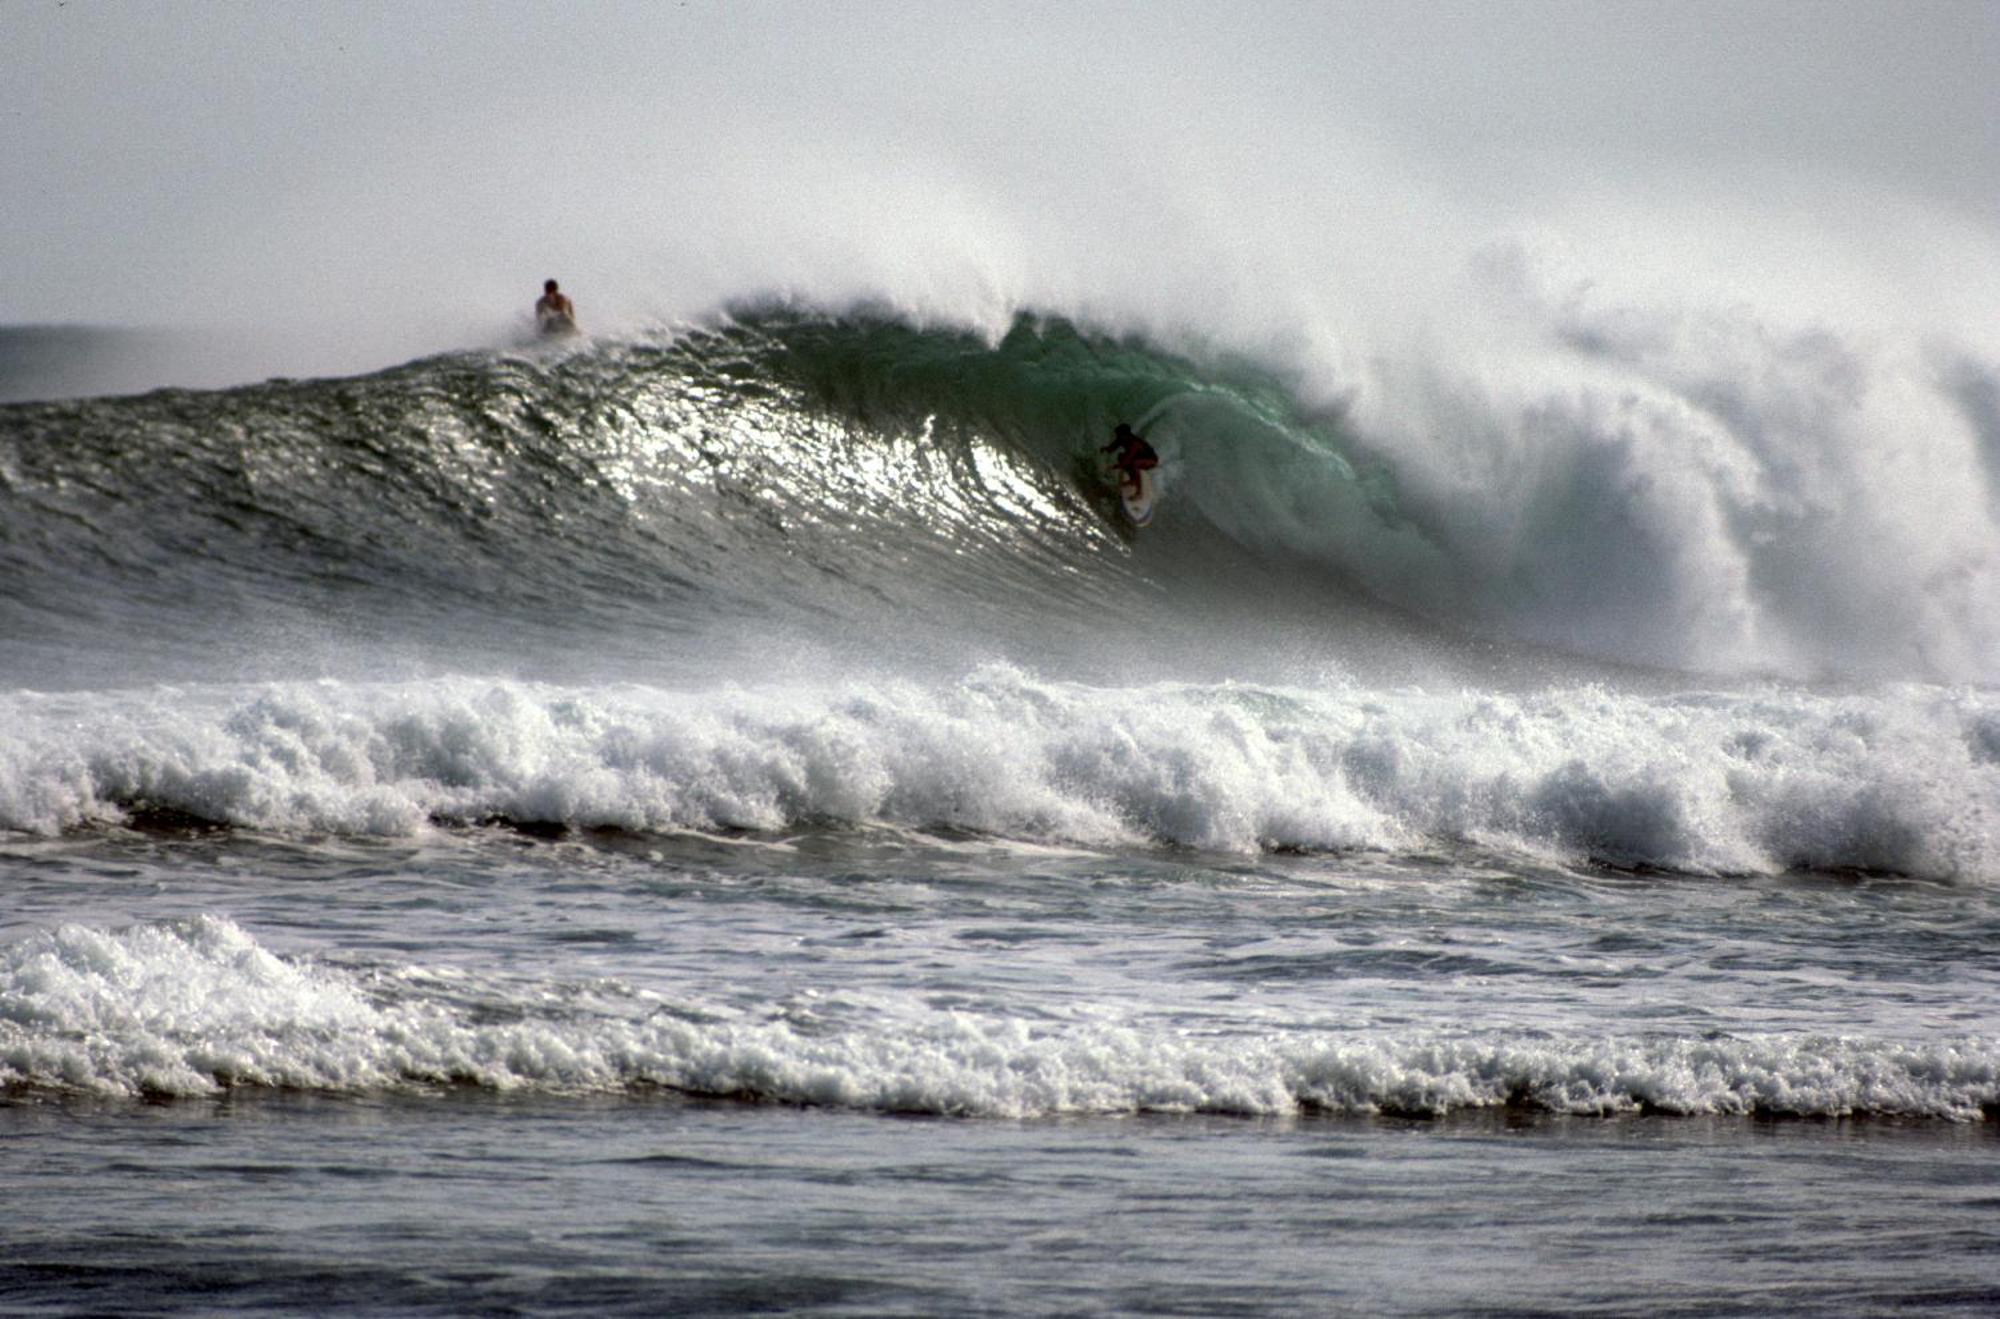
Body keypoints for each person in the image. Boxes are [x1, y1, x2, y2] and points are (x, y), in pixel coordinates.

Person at [1101, 422, 1158, 495]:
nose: (1117, 436)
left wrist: (1115, 466)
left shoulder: (1135, 443)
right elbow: (1111, 449)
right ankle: (1133, 479)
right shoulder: (1120, 439)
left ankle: (1139, 492)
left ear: (1126, 435)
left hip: (1151, 460)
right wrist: (1105, 449)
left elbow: (1128, 459)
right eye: (1117, 435)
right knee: (1121, 456)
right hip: (1137, 458)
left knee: (1134, 463)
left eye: (1119, 435)